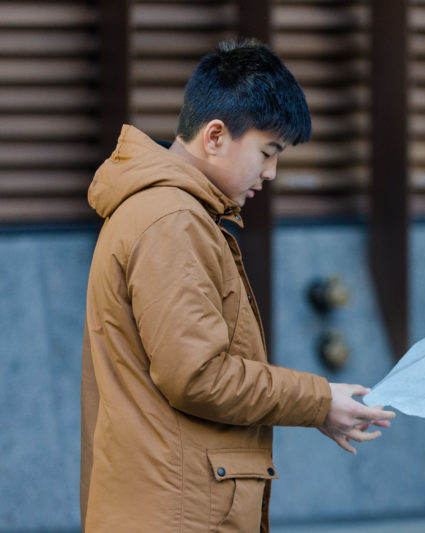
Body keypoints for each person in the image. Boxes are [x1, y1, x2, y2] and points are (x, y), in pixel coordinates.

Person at [80, 39, 395, 532]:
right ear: (214, 136)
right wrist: (317, 401)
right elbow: (198, 376)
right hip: (178, 514)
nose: (270, 172)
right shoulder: (173, 221)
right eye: (267, 152)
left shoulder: (167, 213)